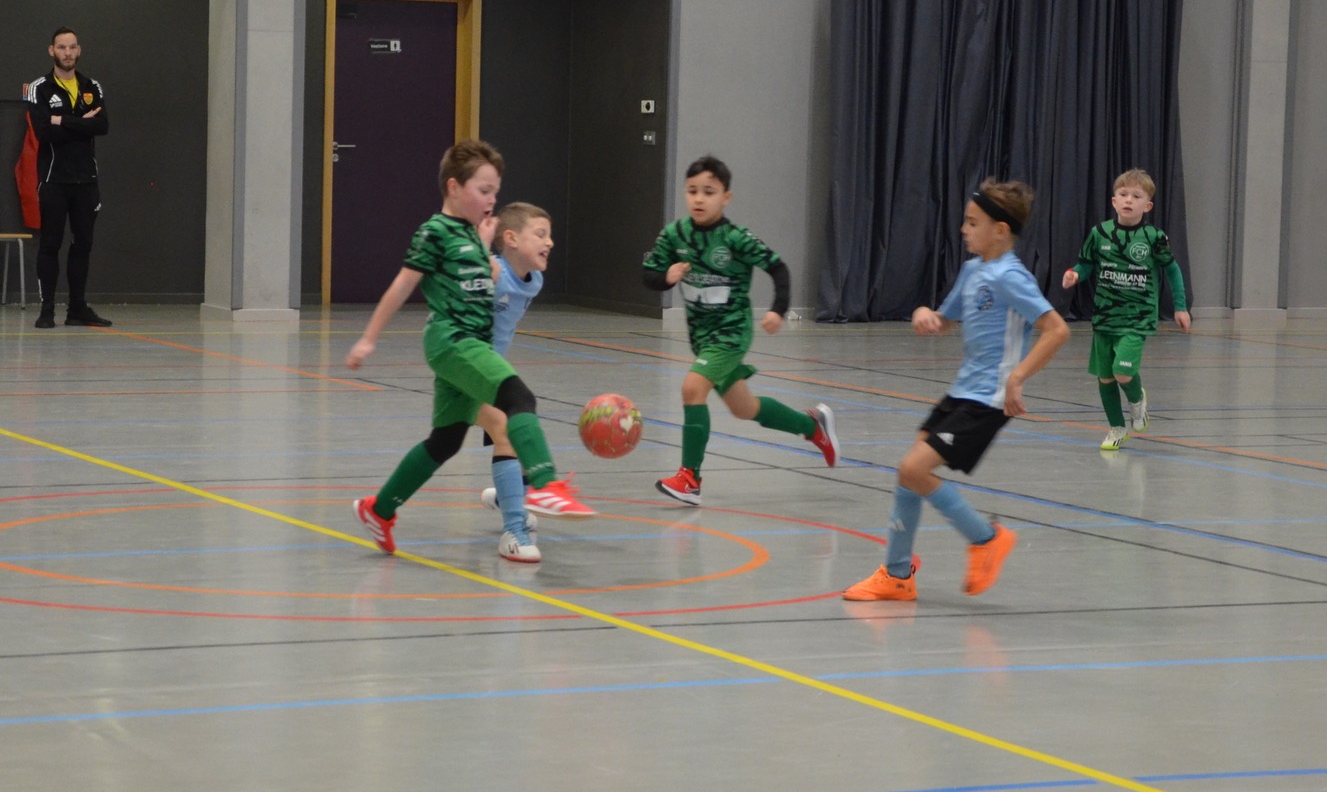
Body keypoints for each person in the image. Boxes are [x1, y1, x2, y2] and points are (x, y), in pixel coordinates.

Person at [345, 141, 594, 561]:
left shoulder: (472, 236)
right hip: (454, 340)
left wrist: (484, 252)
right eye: (483, 190)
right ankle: (544, 488)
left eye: (496, 191)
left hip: (469, 346)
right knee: (518, 401)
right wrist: (369, 338)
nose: (492, 199)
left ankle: (379, 509)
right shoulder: (434, 232)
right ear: (454, 187)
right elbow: (403, 284)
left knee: (445, 441)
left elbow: (482, 282)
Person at [844, 180, 1069, 602]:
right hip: (962, 392)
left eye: (972, 222)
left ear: (1000, 230)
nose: (964, 229)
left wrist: (1017, 377)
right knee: (909, 474)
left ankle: (986, 540)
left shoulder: (1011, 277)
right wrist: (925, 315)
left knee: (913, 469)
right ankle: (897, 576)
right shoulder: (972, 271)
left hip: (988, 400)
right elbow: (946, 321)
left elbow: (1057, 330)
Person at [642, 155, 838, 505]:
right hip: (702, 338)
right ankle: (812, 426)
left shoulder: (735, 238)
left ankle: (690, 478)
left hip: (731, 333)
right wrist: (665, 277)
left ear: (726, 197)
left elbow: (778, 268)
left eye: (709, 192)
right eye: (692, 191)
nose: (699, 199)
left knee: (692, 388)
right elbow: (649, 274)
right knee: (744, 408)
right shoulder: (675, 234)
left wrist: (777, 310)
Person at [1061, 167, 1191, 451]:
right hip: (1105, 317)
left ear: (1148, 206)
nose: (1129, 200)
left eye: (1136, 196)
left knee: (1122, 372)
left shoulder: (1153, 237)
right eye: (1123, 194)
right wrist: (1075, 274)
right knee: (1105, 377)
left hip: (1137, 317)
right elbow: (1085, 264)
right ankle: (1117, 428)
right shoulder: (1100, 233)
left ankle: (1136, 399)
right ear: (1114, 201)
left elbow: (1172, 270)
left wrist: (1181, 307)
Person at [473, 202, 561, 562]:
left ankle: (508, 496)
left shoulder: (533, 281)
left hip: (493, 371)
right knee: (508, 432)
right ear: (510, 239)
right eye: (540, 234)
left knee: (520, 435)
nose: (549, 242)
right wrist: (481, 255)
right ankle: (513, 529)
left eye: (550, 235)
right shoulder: (491, 274)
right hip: (466, 368)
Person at [26, 27, 111, 328]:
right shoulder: (39, 88)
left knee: (83, 244)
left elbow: (102, 126)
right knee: (50, 244)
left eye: (72, 47)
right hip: (53, 180)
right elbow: (44, 132)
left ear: (79, 50)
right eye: (62, 47)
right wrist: (80, 124)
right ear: (52, 50)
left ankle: (77, 309)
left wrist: (62, 120)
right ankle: (47, 310)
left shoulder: (92, 86)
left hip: (86, 180)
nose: (67, 53)